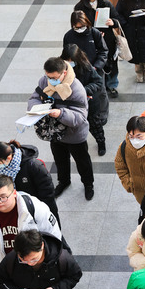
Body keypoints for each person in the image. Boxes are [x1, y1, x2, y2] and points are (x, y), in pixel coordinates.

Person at [28, 57, 95, 200]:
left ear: (64, 73)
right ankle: (63, 182)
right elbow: (34, 97)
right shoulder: (44, 81)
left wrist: (60, 113)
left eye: (53, 77)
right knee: (60, 160)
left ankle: (88, 184)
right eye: (48, 76)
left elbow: (80, 117)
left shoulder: (76, 89)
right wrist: (35, 108)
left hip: (75, 135)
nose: (50, 80)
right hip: (54, 133)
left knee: (82, 162)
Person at [0, 176, 62, 271]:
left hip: (34, 265)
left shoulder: (35, 208)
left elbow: (53, 233)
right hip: (5, 267)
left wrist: (43, 259)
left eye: (3, 197)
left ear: (14, 193)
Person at [0, 230, 82, 289]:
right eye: (23, 260)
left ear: (42, 246)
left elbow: (75, 275)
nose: (30, 263)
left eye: (34, 259)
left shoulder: (62, 258)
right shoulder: (11, 260)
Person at [0, 141, 60, 225]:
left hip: (35, 206)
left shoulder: (34, 166)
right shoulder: (1, 167)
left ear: (9, 157)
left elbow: (47, 193)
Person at [74, 0, 122, 98]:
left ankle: (111, 85)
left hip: (107, 40)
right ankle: (97, 86)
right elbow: (77, 24)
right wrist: (94, 33)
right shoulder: (80, 7)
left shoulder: (105, 3)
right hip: (89, 41)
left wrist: (113, 22)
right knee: (94, 63)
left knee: (110, 62)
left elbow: (117, 18)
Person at [60, 44, 109, 157]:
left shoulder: (87, 67)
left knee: (95, 125)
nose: (69, 63)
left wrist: (83, 91)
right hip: (70, 105)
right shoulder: (60, 69)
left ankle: (101, 142)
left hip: (89, 103)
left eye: (71, 61)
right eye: (67, 60)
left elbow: (98, 82)